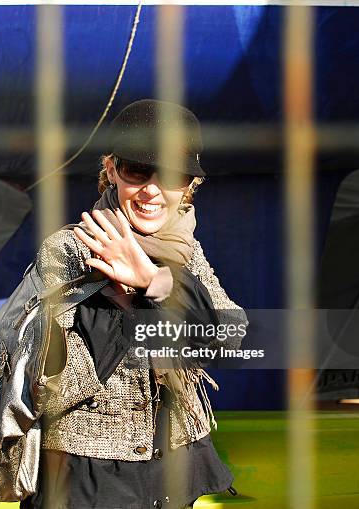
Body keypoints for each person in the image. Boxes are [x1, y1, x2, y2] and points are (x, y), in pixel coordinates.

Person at [22, 100, 248, 508]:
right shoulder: (70, 250)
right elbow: (50, 389)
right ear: (111, 170)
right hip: (86, 474)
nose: (152, 190)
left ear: (189, 186)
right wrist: (117, 302)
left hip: (171, 465)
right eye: (138, 171)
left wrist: (151, 282)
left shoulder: (185, 251)